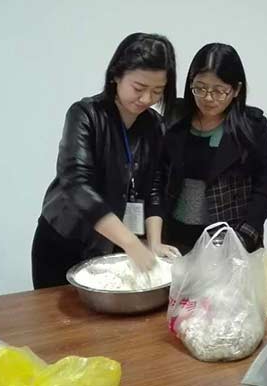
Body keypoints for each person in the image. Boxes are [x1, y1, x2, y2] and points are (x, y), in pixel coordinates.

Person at [32, 32, 180, 290]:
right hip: (66, 240)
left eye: (157, 91)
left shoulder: (155, 126)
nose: (147, 99)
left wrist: (154, 242)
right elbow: (76, 184)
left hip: (113, 245)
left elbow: (155, 187)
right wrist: (131, 242)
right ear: (116, 76)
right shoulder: (85, 114)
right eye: (139, 88)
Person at [162, 43, 267, 255]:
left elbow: (266, 183)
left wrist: (247, 233)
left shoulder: (252, 125)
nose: (208, 98)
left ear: (236, 90)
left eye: (219, 91)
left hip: (229, 238)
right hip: (174, 237)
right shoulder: (175, 117)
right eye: (200, 88)